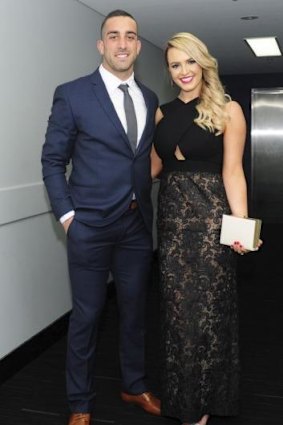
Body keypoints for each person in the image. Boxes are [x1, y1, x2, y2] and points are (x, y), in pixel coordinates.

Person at [41, 10, 160, 425]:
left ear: (139, 46)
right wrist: (69, 216)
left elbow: (141, 159)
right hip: (88, 226)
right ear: (101, 44)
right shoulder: (72, 94)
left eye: (130, 36)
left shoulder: (148, 98)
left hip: (135, 225)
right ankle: (80, 404)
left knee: (134, 310)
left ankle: (134, 384)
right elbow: (53, 160)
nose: (123, 44)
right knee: (87, 316)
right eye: (114, 36)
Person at [151, 32, 261, 425]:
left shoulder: (228, 110)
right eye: (176, 64)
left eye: (190, 62)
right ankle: (185, 402)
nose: (184, 71)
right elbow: (153, 169)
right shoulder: (162, 114)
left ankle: (205, 404)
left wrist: (242, 227)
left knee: (208, 311)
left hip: (211, 216)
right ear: (170, 71)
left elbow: (233, 172)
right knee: (178, 313)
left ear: (204, 64)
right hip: (172, 222)